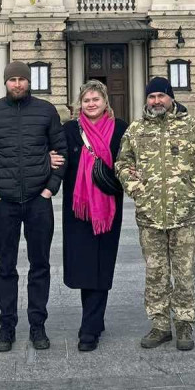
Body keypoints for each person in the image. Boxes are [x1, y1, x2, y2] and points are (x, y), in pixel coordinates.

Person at [116, 76, 195, 351]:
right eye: (152, 97)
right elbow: (122, 163)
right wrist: (136, 189)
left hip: (185, 216)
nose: (156, 101)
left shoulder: (193, 125)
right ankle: (160, 325)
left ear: (171, 97)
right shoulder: (136, 129)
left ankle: (184, 324)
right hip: (149, 217)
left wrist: (193, 188)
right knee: (155, 273)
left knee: (184, 273)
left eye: (161, 96)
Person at [0, 62, 67, 352]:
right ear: (5, 82)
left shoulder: (46, 111)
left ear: (29, 82)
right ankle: (6, 327)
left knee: (39, 265)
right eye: (12, 79)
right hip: (4, 202)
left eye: (22, 79)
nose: (17, 84)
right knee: (5, 266)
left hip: (37, 200)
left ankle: (37, 326)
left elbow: (61, 152)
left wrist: (49, 189)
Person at [60, 80, 127, 352]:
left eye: (95, 99)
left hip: (108, 207)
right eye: (86, 100)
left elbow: (130, 161)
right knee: (85, 266)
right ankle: (93, 321)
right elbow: (57, 158)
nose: (91, 104)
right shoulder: (69, 130)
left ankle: (89, 328)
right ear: (80, 103)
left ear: (105, 101)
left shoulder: (120, 128)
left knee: (102, 265)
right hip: (78, 209)